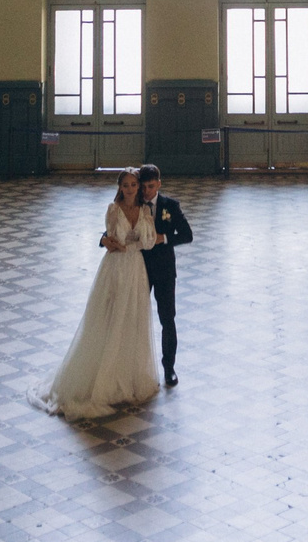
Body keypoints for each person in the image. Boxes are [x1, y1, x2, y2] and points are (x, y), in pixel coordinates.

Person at [34, 172, 161, 418]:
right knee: (109, 315)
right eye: (126, 185)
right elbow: (112, 240)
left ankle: (127, 374)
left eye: (134, 185)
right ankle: (102, 376)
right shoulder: (113, 209)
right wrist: (114, 242)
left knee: (133, 317)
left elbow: (149, 241)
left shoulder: (146, 211)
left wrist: (129, 243)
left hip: (136, 267)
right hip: (115, 268)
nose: (131, 189)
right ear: (120, 187)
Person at [136, 165, 193, 388]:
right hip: (138, 267)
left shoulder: (171, 206)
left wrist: (165, 238)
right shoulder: (134, 204)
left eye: (151, 187)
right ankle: (136, 367)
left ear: (159, 184)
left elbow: (187, 235)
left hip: (164, 270)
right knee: (135, 317)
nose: (147, 192)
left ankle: (169, 368)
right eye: (143, 187)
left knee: (167, 318)